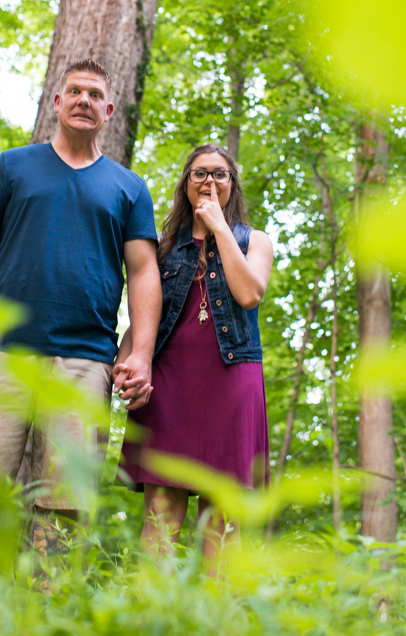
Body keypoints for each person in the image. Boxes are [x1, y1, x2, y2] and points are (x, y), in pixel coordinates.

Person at [0, 58, 162, 554]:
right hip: (4, 355)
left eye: (94, 95)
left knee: (65, 507)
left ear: (109, 110)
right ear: (57, 102)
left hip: (86, 364)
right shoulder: (12, 165)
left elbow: (144, 272)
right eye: (75, 92)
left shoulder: (129, 188)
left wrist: (142, 353)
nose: (84, 100)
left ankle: (47, 619)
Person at [115, 143, 273, 564]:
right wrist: (124, 358)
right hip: (169, 387)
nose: (209, 181)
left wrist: (219, 228)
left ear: (232, 185)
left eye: (220, 174)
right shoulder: (163, 248)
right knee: (160, 519)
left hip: (231, 383)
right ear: (186, 184)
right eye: (199, 173)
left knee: (220, 522)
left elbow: (249, 292)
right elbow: (144, 317)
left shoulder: (254, 240)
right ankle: (154, 619)